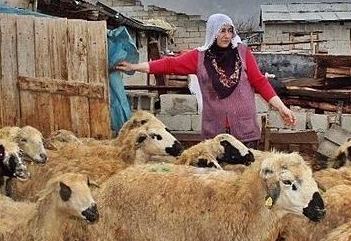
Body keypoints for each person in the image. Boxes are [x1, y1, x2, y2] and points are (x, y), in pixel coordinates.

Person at [115, 13, 296, 147]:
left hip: (245, 131)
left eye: (229, 31)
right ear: (213, 33)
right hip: (215, 133)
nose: (226, 35)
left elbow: (260, 82)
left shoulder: (243, 53)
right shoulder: (199, 57)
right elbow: (170, 64)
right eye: (221, 31)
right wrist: (134, 67)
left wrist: (282, 108)